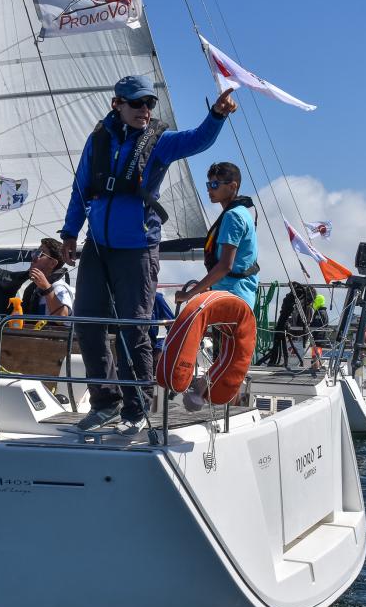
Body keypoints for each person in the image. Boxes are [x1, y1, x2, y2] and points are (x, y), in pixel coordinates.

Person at [60, 74, 237, 435]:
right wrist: (69, 233)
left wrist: (217, 115)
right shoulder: (98, 139)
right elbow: (81, 188)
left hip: (137, 250)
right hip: (97, 245)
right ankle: (104, 403)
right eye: (137, 103)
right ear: (117, 104)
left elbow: (197, 140)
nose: (145, 109)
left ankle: (136, 407)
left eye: (149, 103)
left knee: (134, 328)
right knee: (88, 322)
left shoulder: (159, 142)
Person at [175, 162, 259, 308]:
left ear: (232, 186)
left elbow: (225, 266)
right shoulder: (242, 212)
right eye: (208, 185)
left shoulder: (233, 216)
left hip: (232, 298)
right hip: (237, 296)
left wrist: (190, 294)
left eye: (215, 185)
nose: (209, 189)